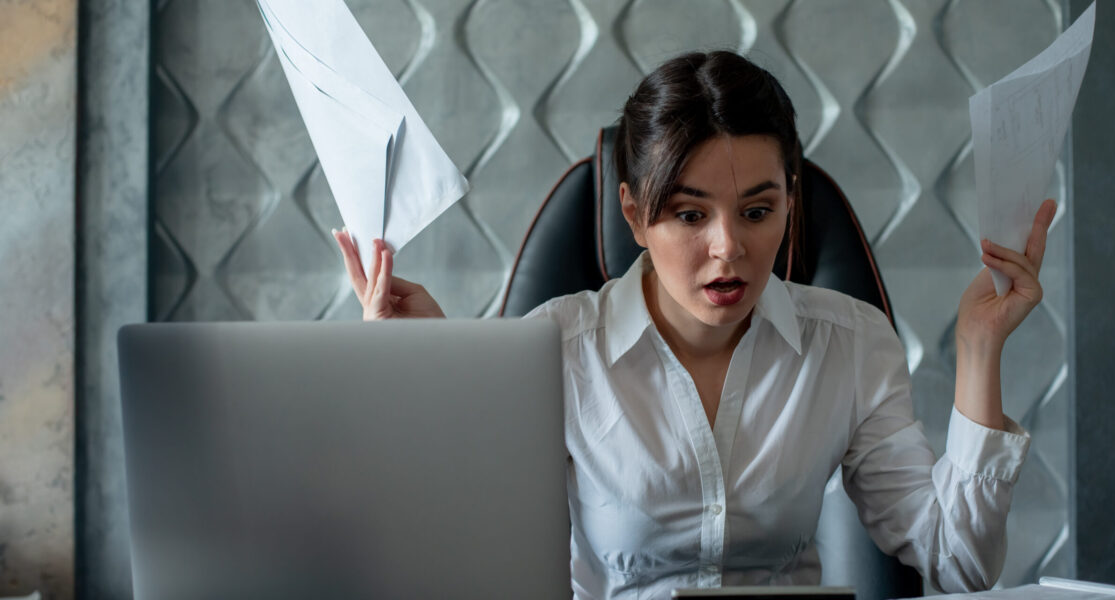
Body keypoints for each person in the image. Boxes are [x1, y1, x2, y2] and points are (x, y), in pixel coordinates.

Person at [331, 50, 1054, 599]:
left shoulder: (851, 344)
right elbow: (466, 560)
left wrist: (977, 350)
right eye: (688, 214)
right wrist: (424, 377)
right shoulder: (551, 351)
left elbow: (958, 563)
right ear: (632, 214)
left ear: (791, 206)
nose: (728, 247)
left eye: (758, 211)